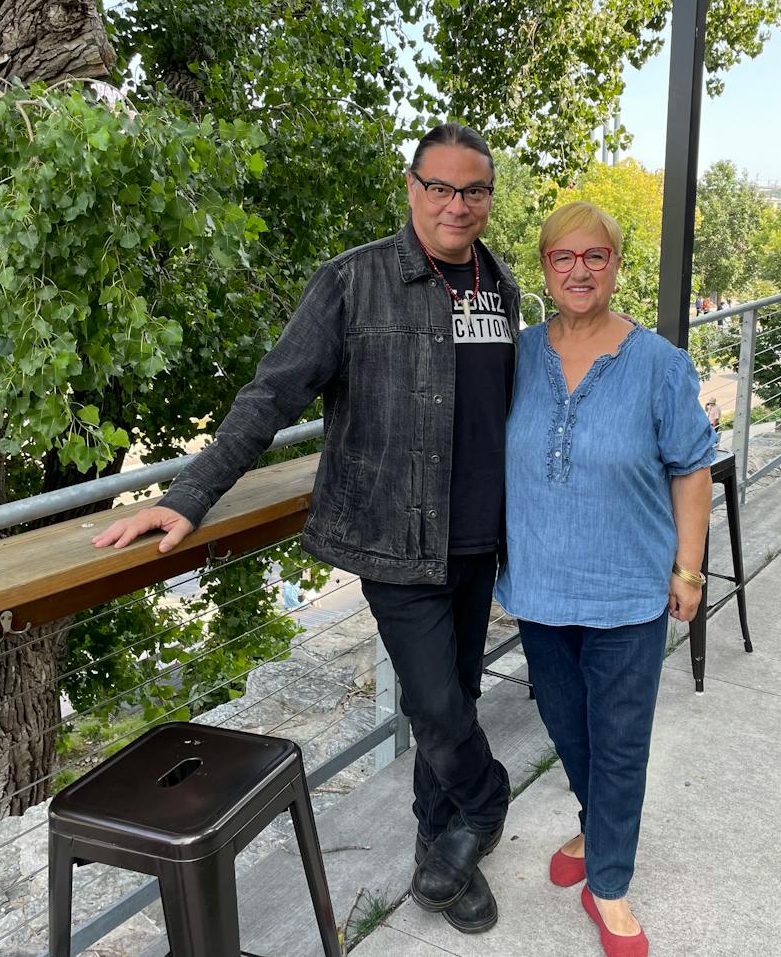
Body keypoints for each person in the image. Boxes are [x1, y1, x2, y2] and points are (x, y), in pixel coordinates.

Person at [91, 123, 520, 934]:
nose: (457, 205)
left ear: (488, 198)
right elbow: (272, 395)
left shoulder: (501, 290)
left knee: (456, 694)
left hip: (478, 536)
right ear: (412, 188)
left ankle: (445, 855)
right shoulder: (353, 282)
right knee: (435, 705)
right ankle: (486, 803)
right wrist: (189, 495)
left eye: (474, 190)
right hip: (392, 535)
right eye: (441, 187)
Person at [495, 201, 714, 957]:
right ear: (545, 266)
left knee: (619, 742)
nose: (579, 270)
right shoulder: (517, 356)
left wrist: (689, 568)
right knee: (567, 727)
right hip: (540, 588)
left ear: (617, 266)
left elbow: (692, 471)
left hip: (627, 591)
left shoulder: (658, 364)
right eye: (564, 257)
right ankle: (596, 829)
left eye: (596, 257)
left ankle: (610, 883)